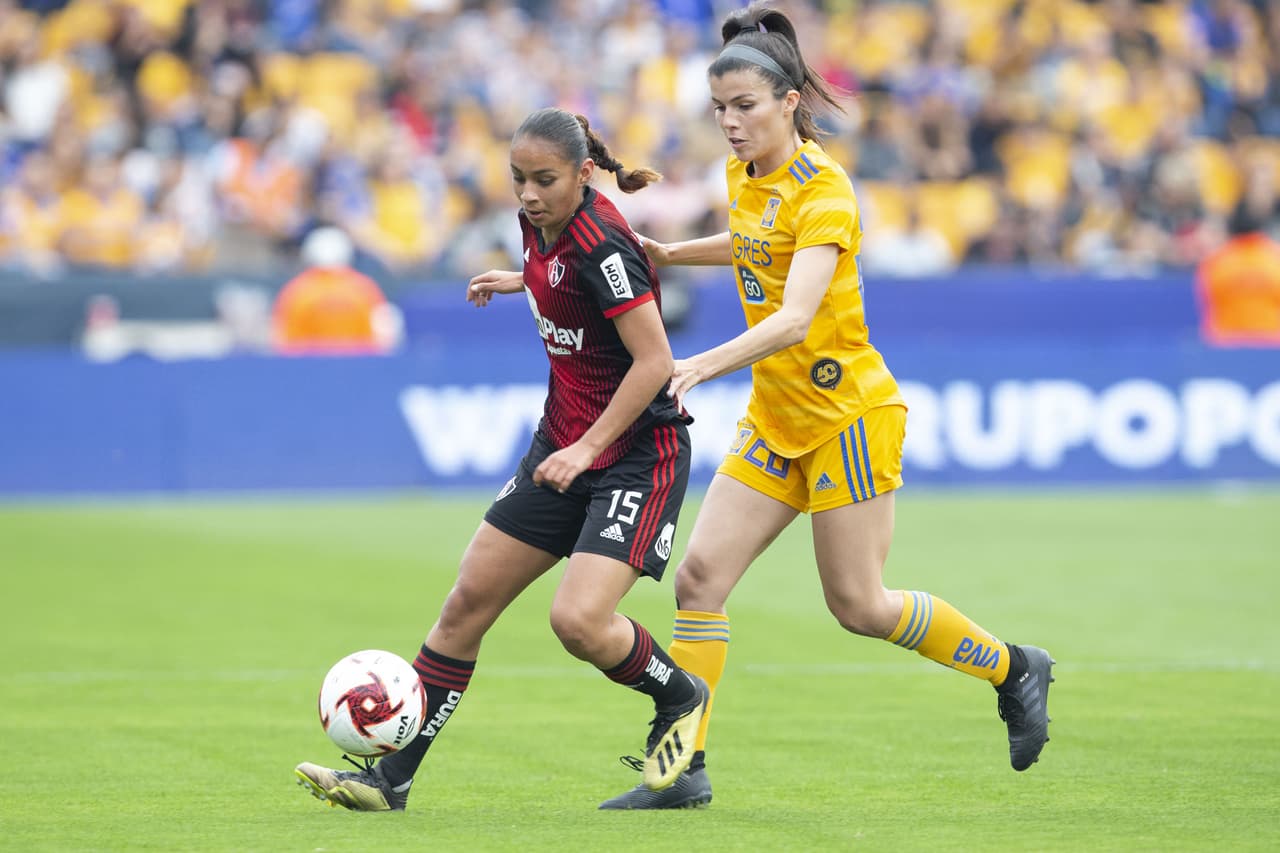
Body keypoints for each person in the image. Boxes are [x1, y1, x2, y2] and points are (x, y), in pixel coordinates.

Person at [599, 3, 1054, 810]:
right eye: (719, 110)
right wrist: (676, 252)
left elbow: (797, 314)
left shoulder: (827, 189)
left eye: (744, 108)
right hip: (777, 417)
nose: (730, 125)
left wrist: (700, 362)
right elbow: (751, 239)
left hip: (847, 418)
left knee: (860, 605)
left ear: (789, 103)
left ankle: (1013, 666)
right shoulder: (743, 176)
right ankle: (681, 767)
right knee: (699, 578)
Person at [294, 107, 709, 811]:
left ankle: (681, 696)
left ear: (582, 173)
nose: (527, 194)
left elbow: (655, 361)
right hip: (563, 446)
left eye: (543, 180)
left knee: (577, 622)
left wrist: (587, 449)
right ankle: (389, 779)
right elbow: (562, 275)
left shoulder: (603, 244)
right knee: (466, 604)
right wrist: (524, 280)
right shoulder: (539, 223)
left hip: (637, 453)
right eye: (517, 178)